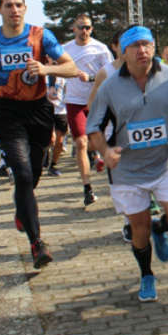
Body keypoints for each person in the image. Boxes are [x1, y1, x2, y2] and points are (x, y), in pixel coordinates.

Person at [0, 0, 78, 269]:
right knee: (22, 175)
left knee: (33, 175)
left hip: (38, 110)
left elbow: (71, 67)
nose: (14, 10)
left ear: (25, 8)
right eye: (8, 5)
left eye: (19, 5)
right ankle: (37, 244)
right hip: (8, 112)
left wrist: (47, 70)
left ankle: (22, 209)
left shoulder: (40, 35)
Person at [87, 25, 168, 302]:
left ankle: (162, 228)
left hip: (163, 164)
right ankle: (147, 274)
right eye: (135, 46)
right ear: (123, 53)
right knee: (139, 228)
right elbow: (93, 127)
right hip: (127, 170)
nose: (142, 51)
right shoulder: (110, 87)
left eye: (147, 44)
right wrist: (104, 151)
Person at [62, 14, 113, 207]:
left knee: (94, 142)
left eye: (88, 28)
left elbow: (109, 73)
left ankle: (94, 154)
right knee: (81, 143)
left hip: (97, 100)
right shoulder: (65, 49)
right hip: (74, 101)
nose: (84, 31)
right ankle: (87, 188)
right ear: (73, 28)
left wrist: (91, 78)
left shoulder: (101, 48)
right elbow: (54, 67)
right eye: (81, 27)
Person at [45, 67, 67, 177]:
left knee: (60, 142)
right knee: (51, 139)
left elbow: (68, 91)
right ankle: (45, 154)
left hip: (61, 111)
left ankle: (53, 165)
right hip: (46, 111)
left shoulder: (63, 76)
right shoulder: (42, 74)